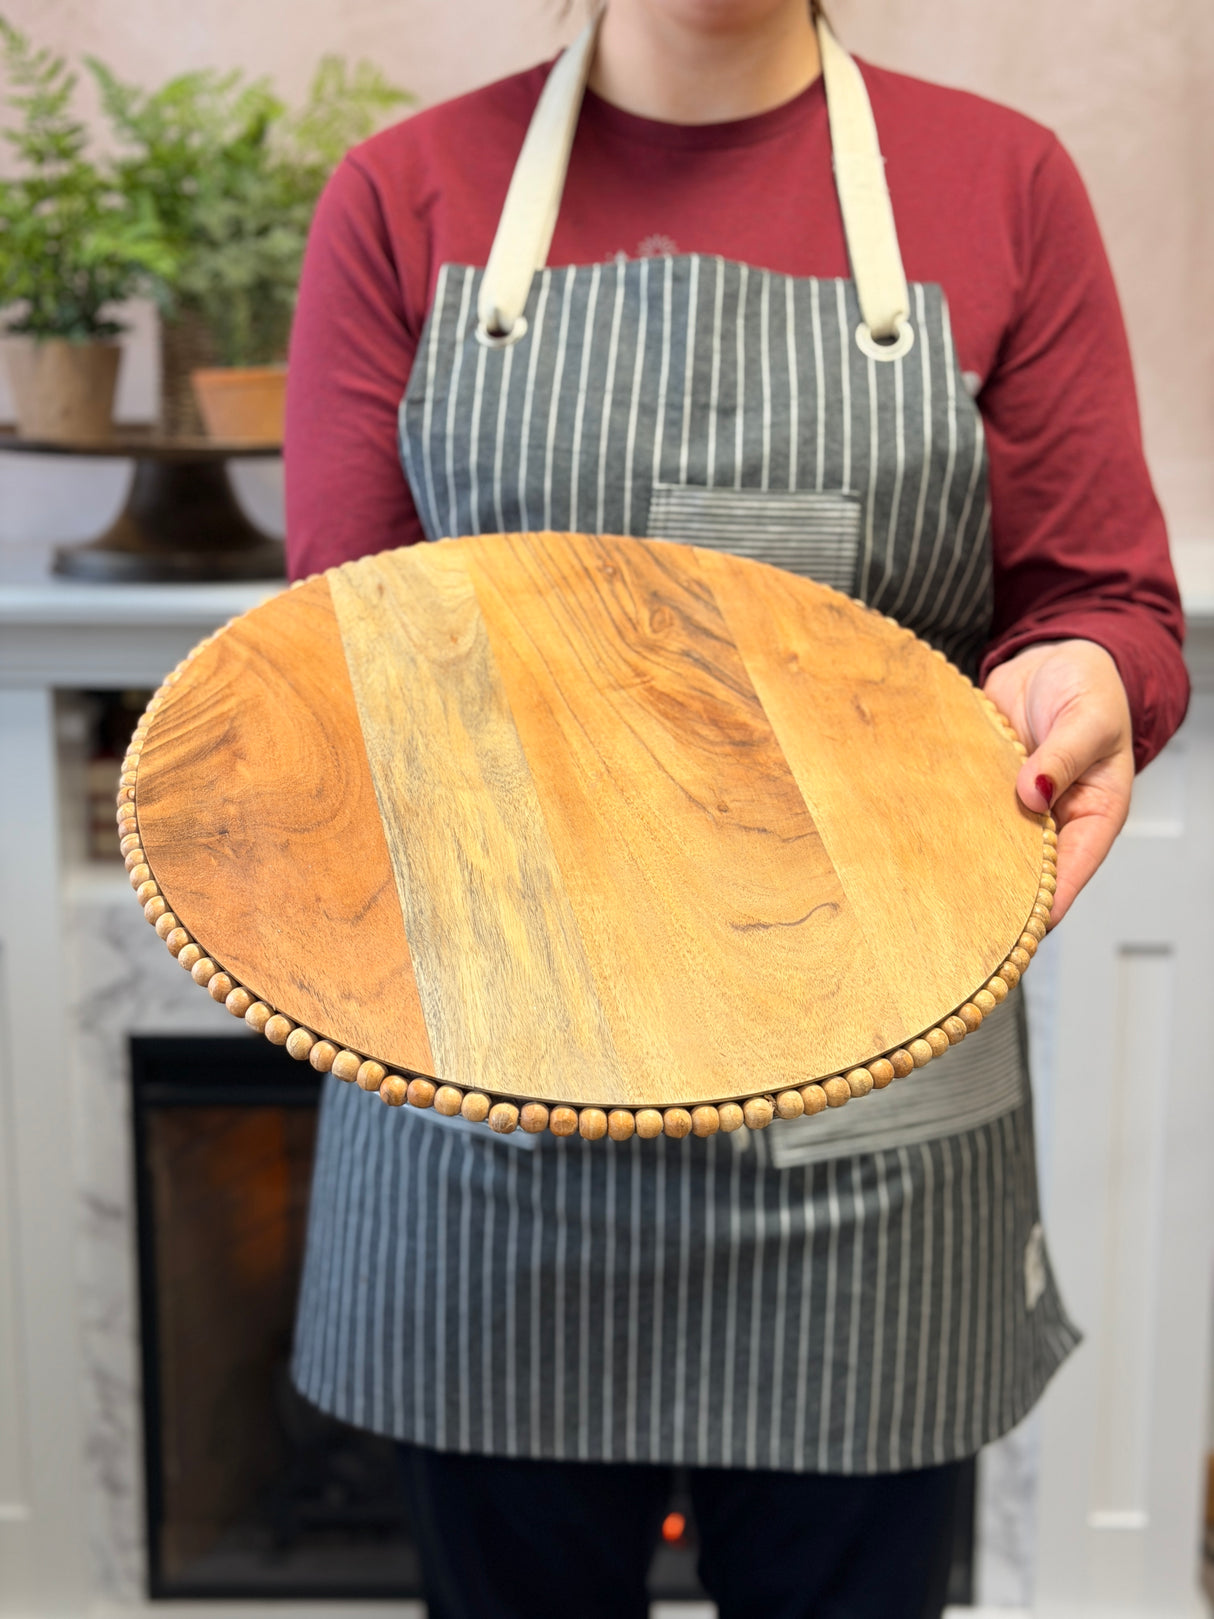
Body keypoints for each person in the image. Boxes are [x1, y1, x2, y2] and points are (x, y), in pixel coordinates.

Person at [283, 2, 1189, 1614]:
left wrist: (1092, 677)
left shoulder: (1000, 184)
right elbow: (339, 659)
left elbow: (1095, 597)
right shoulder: (402, 193)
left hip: (871, 1144)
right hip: (487, 1119)